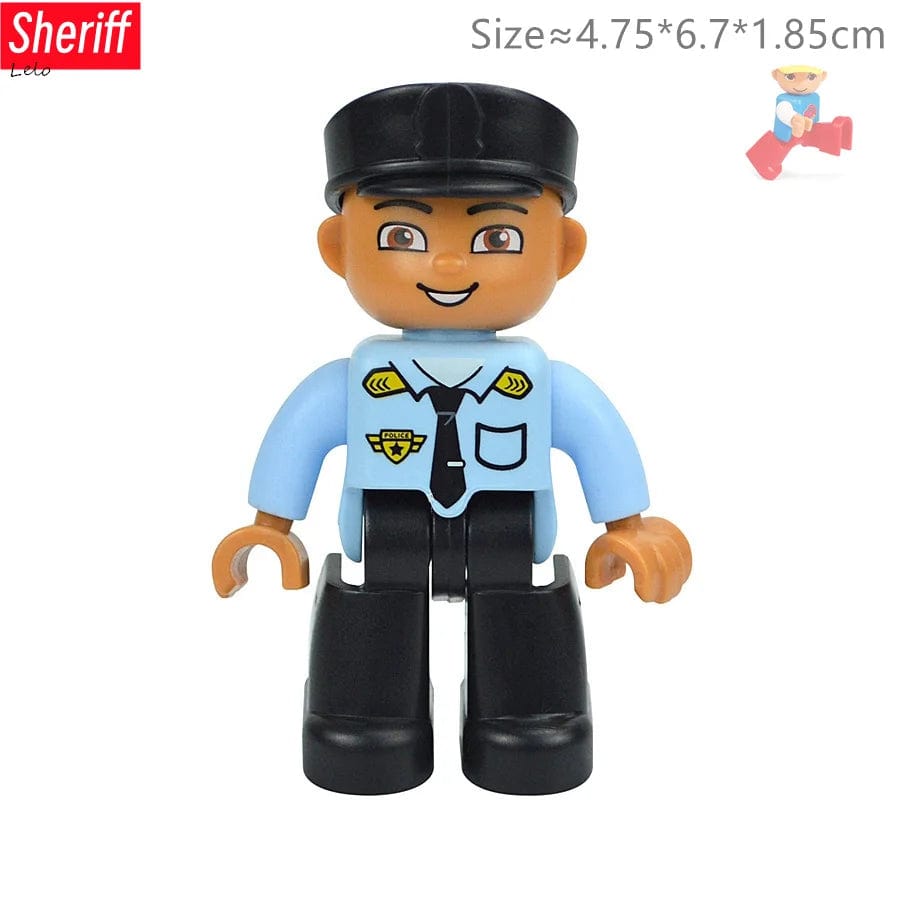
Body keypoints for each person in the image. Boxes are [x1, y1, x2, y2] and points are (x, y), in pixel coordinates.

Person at [212, 83, 691, 795]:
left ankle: (528, 718)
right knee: (371, 625)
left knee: (522, 622)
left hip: (506, 530)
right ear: (338, 249)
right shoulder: (351, 383)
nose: (447, 265)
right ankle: (365, 719)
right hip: (386, 531)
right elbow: (301, 436)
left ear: (563, 251)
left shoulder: (545, 383)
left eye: (496, 238)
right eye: (402, 237)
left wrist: (628, 524)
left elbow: (597, 438)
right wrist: (270, 525)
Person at [746, 66, 853, 180]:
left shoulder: (813, 97)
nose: (801, 84)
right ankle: (763, 162)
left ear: (823, 76)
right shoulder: (785, 101)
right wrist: (793, 118)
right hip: (788, 135)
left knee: (820, 133)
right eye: (790, 76)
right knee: (778, 148)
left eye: (811, 77)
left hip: (809, 130)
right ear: (776, 75)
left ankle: (836, 139)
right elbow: (783, 111)